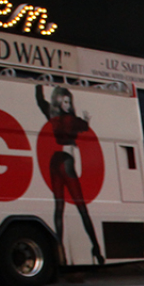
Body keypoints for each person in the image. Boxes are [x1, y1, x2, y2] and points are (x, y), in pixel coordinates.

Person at [37, 84, 103, 276]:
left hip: (55, 162)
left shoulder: (53, 116)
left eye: (69, 101)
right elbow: (84, 126)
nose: (68, 104)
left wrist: (39, 88)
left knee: (59, 209)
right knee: (81, 207)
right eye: (65, 101)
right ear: (60, 102)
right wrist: (87, 120)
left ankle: (61, 252)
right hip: (66, 162)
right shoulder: (72, 119)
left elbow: (41, 102)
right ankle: (96, 249)